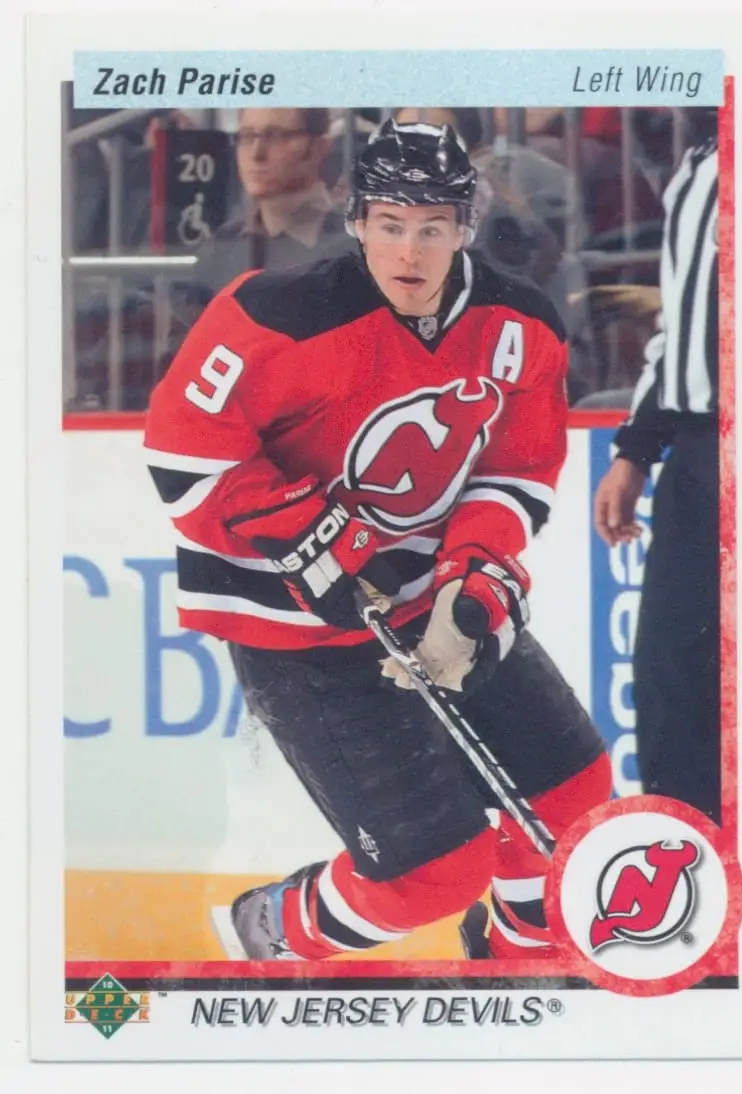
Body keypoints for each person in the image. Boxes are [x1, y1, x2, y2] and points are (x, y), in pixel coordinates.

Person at [144, 120, 611, 962]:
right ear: (356, 221)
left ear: (465, 228)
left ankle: (518, 966)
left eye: (432, 227)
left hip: (431, 597)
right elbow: (185, 452)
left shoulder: (521, 327)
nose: (409, 250)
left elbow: (516, 474)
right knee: (431, 876)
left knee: (572, 802)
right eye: (390, 224)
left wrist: (471, 584)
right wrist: (313, 537)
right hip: (298, 630)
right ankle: (261, 934)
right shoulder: (275, 314)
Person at [592, 114, 721, 823]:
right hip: (699, 456)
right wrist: (635, 451)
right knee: (671, 674)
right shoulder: (699, 164)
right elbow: (677, 327)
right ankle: (688, 862)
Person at [192, 107, 352, 295]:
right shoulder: (218, 249)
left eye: (275, 136)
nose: (256, 154)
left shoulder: (355, 244)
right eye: (247, 136)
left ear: (318, 148)